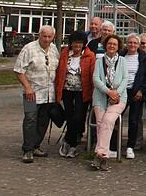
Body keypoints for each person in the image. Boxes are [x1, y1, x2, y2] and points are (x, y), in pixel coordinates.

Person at [14, 25, 60, 163]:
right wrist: (27, 87)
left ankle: (36, 146)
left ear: (53, 37)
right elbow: (18, 70)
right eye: (44, 36)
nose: (46, 39)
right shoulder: (29, 48)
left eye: (49, 37)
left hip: (48, 93)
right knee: (30, 120)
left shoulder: (53, 49)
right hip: (31, 93)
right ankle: (27, 150)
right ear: (39, 35)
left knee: (43, 121)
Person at [55, 30, 95, 159]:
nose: (77, 45)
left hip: (82, 91)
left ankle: (69, 140)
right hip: (67, 90)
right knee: (69, 116)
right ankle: (71, 144)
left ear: (84, 44)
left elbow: (92, 75)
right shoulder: (65, 54)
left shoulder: (90, 56)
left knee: (78, 117)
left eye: (80, 43)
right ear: (71, 43)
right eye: (75, 43)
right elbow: (59, 73)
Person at [91, 34, 127, 170]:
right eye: (110, 43)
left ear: (118, 47)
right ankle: (103, 155)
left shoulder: (123, 61)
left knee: (107, 121)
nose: (112, 46)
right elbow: (96, 79)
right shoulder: (99, 61)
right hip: (101, 97)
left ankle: (99, 155)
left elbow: (125, 79)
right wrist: (108, 92)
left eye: (115, 44)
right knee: (101, 123)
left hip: (118, 99)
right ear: (106, 45)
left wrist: (116, 93)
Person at [119, 33, 146, 160]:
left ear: (138, 45)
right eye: (130, 42)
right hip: (121, 92)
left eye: (135, 43)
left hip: (136, 92)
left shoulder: (143, 58)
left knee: (134, 120)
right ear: (126, 44)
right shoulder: (121, 56)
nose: (132, 45)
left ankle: (130, 147)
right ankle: (114, 145)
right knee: (116, 118)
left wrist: (141, 91)